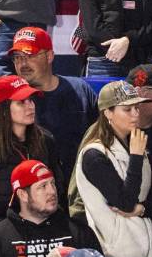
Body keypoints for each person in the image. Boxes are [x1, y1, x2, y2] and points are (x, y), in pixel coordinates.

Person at [72, 81, 152, 257]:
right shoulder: (94, 154)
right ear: (107, 113)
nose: (135, 115)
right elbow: (125, 202)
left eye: (137, 108)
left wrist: (143, 209)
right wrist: (136, 157)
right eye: (127, 109)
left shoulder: (138, 144)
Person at [0, 75, 59, 231]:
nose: (30, 106)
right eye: (21, 102)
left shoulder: (46, 140)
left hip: (44, 228)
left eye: (31, 100)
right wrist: (23, 210)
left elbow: (60, 191)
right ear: (3, 109)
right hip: (4, 230)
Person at [10, 28, 99, 177]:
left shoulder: (80, 89)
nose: (22, 63)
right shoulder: (12, 100)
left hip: (81, 182)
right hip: (36, 187)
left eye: (29, 55)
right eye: (17, 57)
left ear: (49, 56)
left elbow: (101, 136)